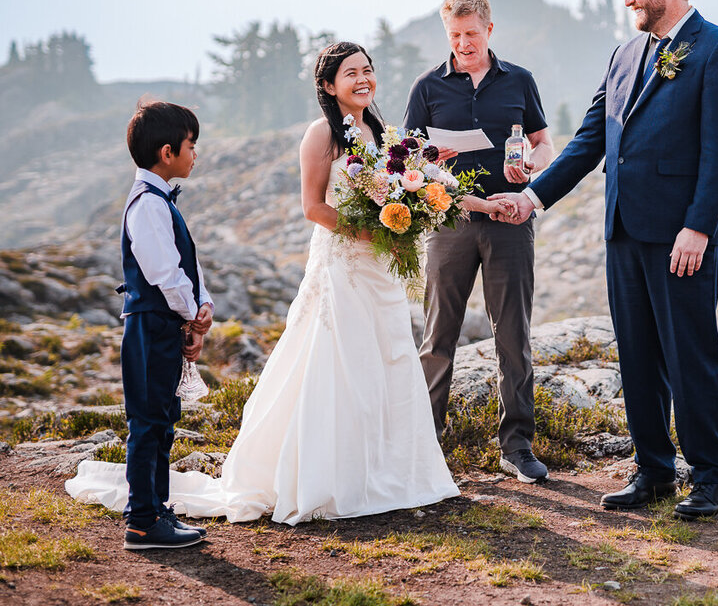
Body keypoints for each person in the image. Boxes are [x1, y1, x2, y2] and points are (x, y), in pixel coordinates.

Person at [69, 42, 484, 524]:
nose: (363, 79)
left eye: (368, 70)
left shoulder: (379, 132)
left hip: (380, 270)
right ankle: (330, 477)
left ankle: (394, 472)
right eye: (351, 73)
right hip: (343, 265)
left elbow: (403, 185)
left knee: (387, 357)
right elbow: (314, 207)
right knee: (340, 361)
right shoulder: (321, 134)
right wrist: (372, 230)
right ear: (329, 86)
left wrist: (416, 194)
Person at [499, 0, 718, 519]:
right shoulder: (624, 53)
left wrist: (698, 226)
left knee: (689, 355)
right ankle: (654, 471)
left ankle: (712, 476)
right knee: (636, 354)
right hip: (623, 230)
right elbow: (592, 139)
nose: (628, 0)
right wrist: (532, 197)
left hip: (682, 236)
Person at [404, 0, 554, 484]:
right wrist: (430, 161)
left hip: (511, 222)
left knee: (513, 334)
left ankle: (517, 447)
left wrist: (536, 168)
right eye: (455, 35)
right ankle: (428, 445)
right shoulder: (427, 87)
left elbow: (543, 141)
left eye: (471, 33)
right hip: (450, 225)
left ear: (490, 29)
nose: (464, 43)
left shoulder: (520, 81)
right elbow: (409, 160)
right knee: (438, 335)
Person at [105, 100, 214, 550]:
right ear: (167, 152)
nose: (196, 154)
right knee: (148, 421)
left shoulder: (159, 200)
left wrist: (201, 304)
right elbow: (165, 273)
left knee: (164, 418)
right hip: (150, 327)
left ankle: (157, 510)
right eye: (192, 145)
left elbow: (187, 265)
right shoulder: (147, 204)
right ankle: (143, 521)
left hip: (162, 325)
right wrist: (190, 314)